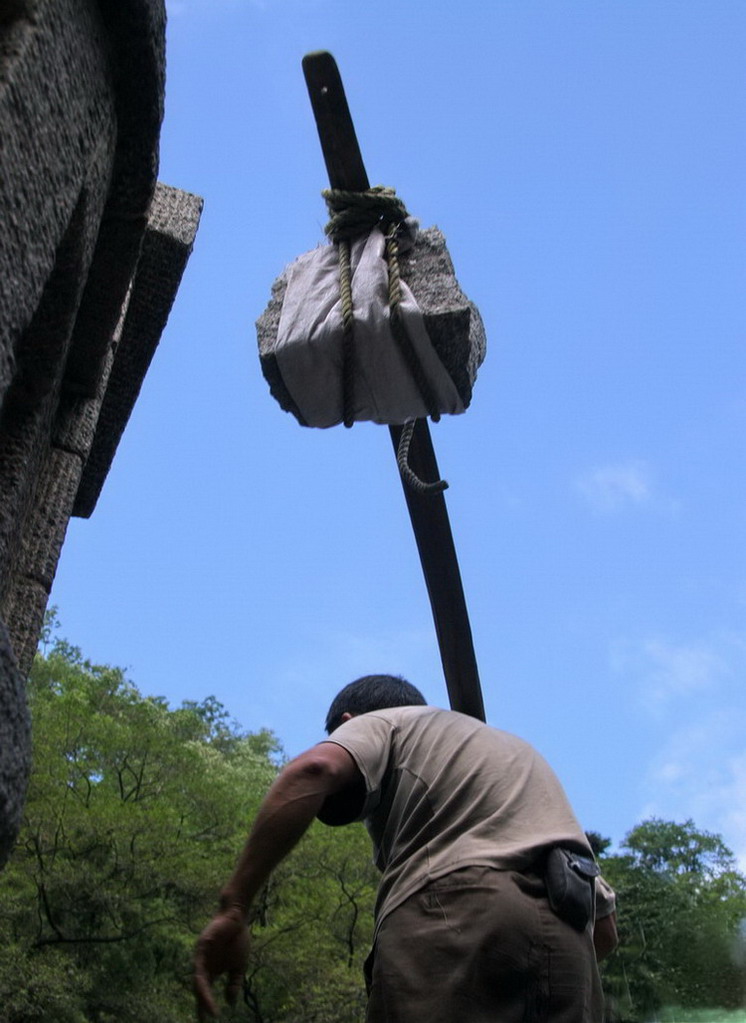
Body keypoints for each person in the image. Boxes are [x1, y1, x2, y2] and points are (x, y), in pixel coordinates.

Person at [193, 675, 617, 1022]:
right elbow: (604, 933)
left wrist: (235, 907)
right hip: (569, 948)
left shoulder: (388, 721)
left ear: (348, 720)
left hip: (457, 909)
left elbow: (315, 770)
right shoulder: (518, 759)